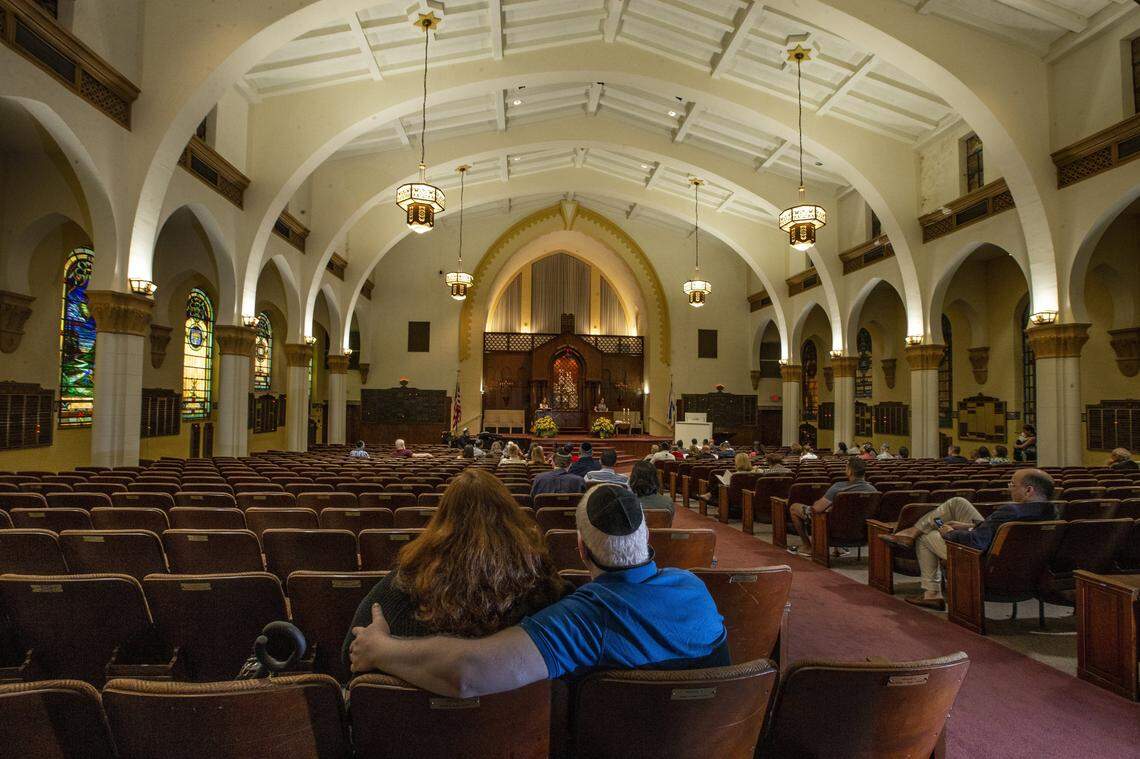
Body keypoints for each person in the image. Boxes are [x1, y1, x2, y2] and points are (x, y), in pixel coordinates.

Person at [348, 486, 729, 696]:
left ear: (581, 547)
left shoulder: (582, 618)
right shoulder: (696, 589)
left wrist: (381, 648)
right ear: (646, 537)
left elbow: (467, 672)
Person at [342, 469, 568, 665]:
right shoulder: (545, 586)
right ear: (511, 518)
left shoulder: (405, 583)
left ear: (441, 519)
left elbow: (350, 655)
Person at [889, 469, 1058, 610]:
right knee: (958, 502)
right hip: (1019, 562)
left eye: (1012, 484)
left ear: (1029, 490)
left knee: (927, 537)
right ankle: (912, 531)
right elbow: (1000, 532)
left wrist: (949, 532)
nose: (1009, 488)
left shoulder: (1011, 511)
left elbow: (976, 542)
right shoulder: (1054, 511)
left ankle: (932, 593)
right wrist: (970, 526)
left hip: (982, 560)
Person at [788, 457, 878, 557]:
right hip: (859, 530)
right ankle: (839, 548)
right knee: (837, 511)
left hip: (834, 527)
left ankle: (808, 546)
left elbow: (816, 509)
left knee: (794, 507)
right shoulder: (873, 490)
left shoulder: (839, 487)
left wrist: (817, 503)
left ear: (849, 471)